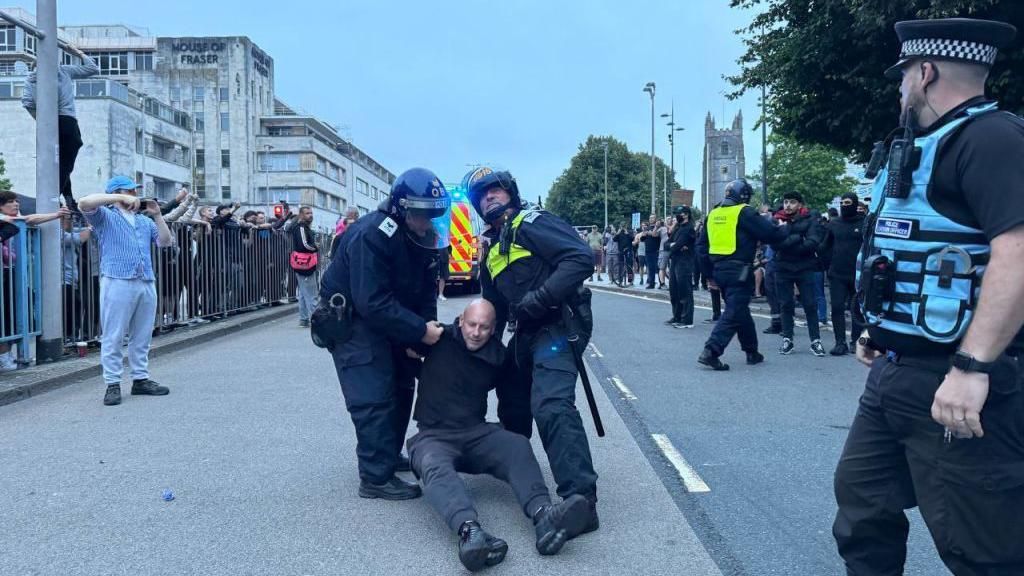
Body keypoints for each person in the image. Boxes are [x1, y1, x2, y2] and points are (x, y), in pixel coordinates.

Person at [833, 18, 1024, 576]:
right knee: (862, 508)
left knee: (981, 546)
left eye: (903, 77)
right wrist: (882, 326)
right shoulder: (917, 147)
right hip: (898, 370)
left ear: (927, 72)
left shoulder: (992, 139)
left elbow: (1017, 250)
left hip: (955, 378)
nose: (899, 89)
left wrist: (972, 366)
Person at [407, 299, 591, 571]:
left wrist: (514, 434)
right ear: (461, 321)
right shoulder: (437, 338)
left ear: (494, 329)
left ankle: (544, 517)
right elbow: (401, 343)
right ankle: (470, 533)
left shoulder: (498, 356)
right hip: (433, 436)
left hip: (476, 432)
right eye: (471, 324)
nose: (476, 332)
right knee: (434, 465)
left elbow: (513, 399)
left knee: (517, 445)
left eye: (484, 327)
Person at [467, 166, 599, 538]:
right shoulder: (492, 245)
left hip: (559, 325)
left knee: (551, 404)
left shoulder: (532, 222)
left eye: (495, 190)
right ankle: (517, 467)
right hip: (526, 332)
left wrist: (539, 299)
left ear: (511, 192)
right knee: (511, 397)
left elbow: (580, 258)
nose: (489, 197)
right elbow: (492, 304)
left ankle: (581, 500)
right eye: (482, 195)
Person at [318, 167, 449, 500]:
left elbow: (425, 292)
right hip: (355, 322)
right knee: (373, 395)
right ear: (402, 208)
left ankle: (388, 455)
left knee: (403, 385)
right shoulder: (372, 235)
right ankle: (375, 477)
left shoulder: (422, 237)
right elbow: (371, 301)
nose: (427, 221)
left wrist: (423, 334)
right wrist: (418, 330)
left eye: (432, 214)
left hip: (392, 319)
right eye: (421, 214)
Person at [78, 177, 174, 406]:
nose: (134, 194)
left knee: (142, 335)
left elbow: (165, 242)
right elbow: (84, 202)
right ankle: (112, 383)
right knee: (114, 334)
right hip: (117, 279)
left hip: (145, 280)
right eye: (129, 190)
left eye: (134, 191)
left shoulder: (143, 221)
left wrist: (158, 216)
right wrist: (119, 198)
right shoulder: (106, 216)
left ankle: (140, 378)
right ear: (116, 193)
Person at [696, 179, 788, 370]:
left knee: (740, 311)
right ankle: (711, 351)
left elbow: (701, 247)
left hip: (719, 270)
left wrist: (709, 275)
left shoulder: (713, 214)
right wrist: (785, 227)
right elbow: (770, 234)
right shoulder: (744, 212)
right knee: (734, 312)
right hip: (739, 270)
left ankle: (752, 352)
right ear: (745, 195)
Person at [21, 46, 98, 212]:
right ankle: (56, 196)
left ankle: (68, 197)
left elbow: (27, 103)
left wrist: (42, 122)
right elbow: (92, 68)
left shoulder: (31, 79)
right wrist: (77, 52)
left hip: (47, 124)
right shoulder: (63, 71)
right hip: (66, 119)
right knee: (67, 159)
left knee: (59, 162)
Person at [0, 191, 69, 370]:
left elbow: (31, 219)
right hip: (4, 272)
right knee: (5, 316)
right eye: (10, 202)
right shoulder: (4, 222)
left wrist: (55, 215)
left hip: (13, 272)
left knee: (15, 314)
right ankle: (4, 357)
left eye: (16, 201)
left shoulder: (16, 220)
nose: (16, 204)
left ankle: (10, 355)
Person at [771, 192, 827, 357]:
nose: (788, 205)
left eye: (792, 202)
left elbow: (813, 243)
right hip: (783, 267)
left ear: (800, 205)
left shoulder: (810, 221)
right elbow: (774, 243)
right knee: (786, 304)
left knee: (810, 304)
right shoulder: (777, 220)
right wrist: (797, 238)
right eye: (786, 201)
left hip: (805, 267)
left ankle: (815, 341)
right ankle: (787, 339)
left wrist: (788, 243)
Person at [819, 192, 865, 355]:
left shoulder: (864, 223)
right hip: (837, 274)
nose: (845, 206)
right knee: (837, 308)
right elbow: (825, 246)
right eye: (843, 202)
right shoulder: (834, 224)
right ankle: (840, 342)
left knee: (857, 309)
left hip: (858, 274)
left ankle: (855, 341)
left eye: (848, 202)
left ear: (854, 203)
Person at [289, 206, 319, 327]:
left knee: (303, 293)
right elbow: (304, 245)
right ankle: (315, 320)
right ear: (301, 215)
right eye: (307, 213)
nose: (310, 215)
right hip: (305, 263)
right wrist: (315, 247)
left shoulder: (303, 227)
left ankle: (304, 319)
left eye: (311, 213)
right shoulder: (301, 227)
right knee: (312, 293)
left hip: (301, 263)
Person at [666, 206, 696, 328]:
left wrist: (675, 245)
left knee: (685, 290)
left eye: (680, 214)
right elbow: (667, 244)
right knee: (674, 290)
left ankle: (687, 320)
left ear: (686, 215)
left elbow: (677, 245)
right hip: (675, 260)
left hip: (685, 262)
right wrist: (675, 245)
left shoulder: (689, 229)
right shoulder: (678, 228)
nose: (677, 216)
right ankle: (677, 316)